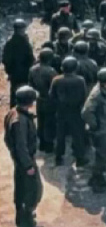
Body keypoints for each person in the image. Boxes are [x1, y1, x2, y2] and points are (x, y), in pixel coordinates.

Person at [4, 86, 43, 227]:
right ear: (29, 102)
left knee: (22, 188)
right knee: (33, 191)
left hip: (19, 160)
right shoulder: (19, 121)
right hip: (25, 161)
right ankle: (25, 220)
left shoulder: (12, 113)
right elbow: (21, 145)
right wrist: (27, 165)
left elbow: (7, 140)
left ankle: (22, 215)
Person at [82, 68, 106, 193]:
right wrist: (95, 126)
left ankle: (97, 177)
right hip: (100, 131)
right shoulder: (97, 95)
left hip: (104, 128)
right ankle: (96, 180)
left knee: (102, 155)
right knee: (104, 156)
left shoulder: (104, 90)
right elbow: (86, 112)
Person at [49, 56, 88, 167]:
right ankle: (80, 158)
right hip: (76, 111)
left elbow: (51, 96)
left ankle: (58, 157)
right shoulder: (80, 80)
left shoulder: (56, 80)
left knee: (60, 134)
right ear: (76, 68)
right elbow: (84, 96)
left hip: (61, 111)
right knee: (78, 135)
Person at [29, 48, 57, 153]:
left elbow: (30, 84)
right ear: (50, 59)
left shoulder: (32, 69)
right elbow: (55, 87)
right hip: (50, 100)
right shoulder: (51, 71)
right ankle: (49, 145)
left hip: (39, 99)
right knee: (49, 123)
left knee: (41, 121)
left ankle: (41, 144)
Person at [2, 19, 35, 108]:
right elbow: (31, 57)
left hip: (15, 73)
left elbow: (5, 59)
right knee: (24, 92)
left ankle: (13, 109)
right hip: (24, 71)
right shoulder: (25, 42)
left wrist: (9, 71)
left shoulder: (10, 42)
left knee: (14, 92)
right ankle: (22, 109)